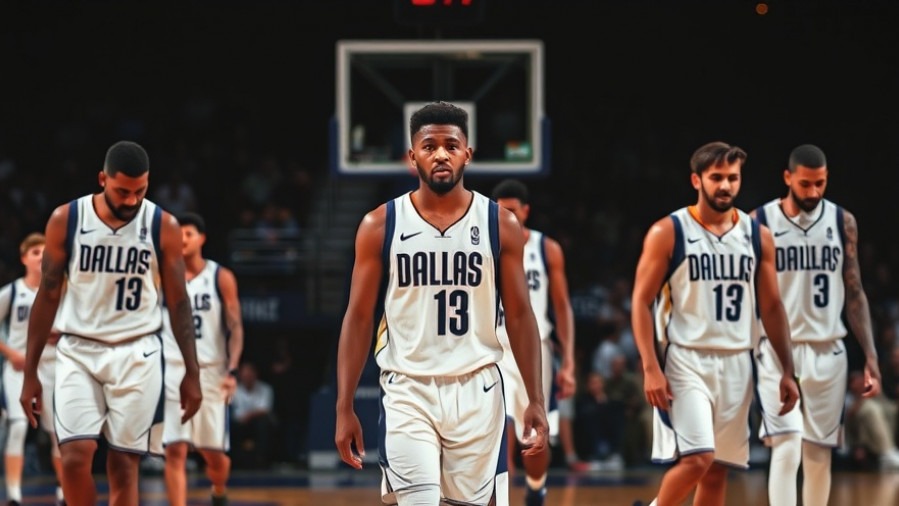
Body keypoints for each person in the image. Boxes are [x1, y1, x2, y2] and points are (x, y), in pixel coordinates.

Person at [334, 101, 549, 506]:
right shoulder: (379, 224)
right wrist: (344, 405)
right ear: (411, 156)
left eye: (451, 146)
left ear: (467, 153)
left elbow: (520, 316)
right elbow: (359, 318)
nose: (440, 155)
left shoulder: (500, 224)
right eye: (429, 146)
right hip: (408, 388)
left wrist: (535, 399)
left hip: (478, 387)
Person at [18, 140, 203, 506]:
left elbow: (179, 303)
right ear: (102, 179)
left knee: (123, 466)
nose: (132, 200)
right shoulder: (67, 219)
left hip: (138, 353)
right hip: (78, 350)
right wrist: (30, 371)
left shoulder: (163, 225)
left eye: (140, 191)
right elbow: (47, 296)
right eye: (122, 191)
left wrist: (192, 372)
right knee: (74, 458)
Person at [631, 141, 799, 506]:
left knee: (717, 470)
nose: (725, 185)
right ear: (697, 180)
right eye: (717, 177)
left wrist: (788, 370)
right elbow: (641, 302)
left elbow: (772, 307)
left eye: (733, 178)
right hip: (686, 359)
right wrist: (650, 367)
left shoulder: (757, 236)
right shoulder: (669, 231)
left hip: (738, 361)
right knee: (698, 459)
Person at [752, 144, 888, 505]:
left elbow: (854, 291)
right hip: (778, 351)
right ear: (787, 177)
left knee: (817, 454)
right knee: (786, 446)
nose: (813, 192)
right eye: (805, 184)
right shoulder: (759, 222)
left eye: (820, 183)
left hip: (829, 351)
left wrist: (871, 355)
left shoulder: (843, 222)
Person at [491, 178, 576, 505]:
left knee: (536, 441)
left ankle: (536, 487)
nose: (508, 217)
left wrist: (568, 362)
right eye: (502, 211)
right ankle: (499, 495)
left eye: (513, 211)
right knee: (495, 432)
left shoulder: (546, 248)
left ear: (526, 211)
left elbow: (562, 307)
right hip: (493, 350)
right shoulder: (482, 247)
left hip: (534, 352)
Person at [161, 212, 244, 506]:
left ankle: (218, 489)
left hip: (212, 372)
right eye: (178, 235)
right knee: (175, 449)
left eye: (189, 234)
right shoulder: (162, 276)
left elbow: (235, 327)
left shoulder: (220, 277)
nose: (183, 239)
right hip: (174, 371)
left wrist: (232, 370)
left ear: (202, 239)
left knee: (214, 455)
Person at [0, 233, 65, 506]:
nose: (41, 257)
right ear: (24, 258)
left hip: (53, 367)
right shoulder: (12, 292)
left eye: (45, 252)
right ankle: (14, 495)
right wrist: (11, 353)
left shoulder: (61, 290)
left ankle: (64, 491)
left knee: (59, 432)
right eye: (35, 252)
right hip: (20, 369)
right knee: (17, 427)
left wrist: (63, 334)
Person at [230, 361, 276, 469]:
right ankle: (234, 460)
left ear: (255, 374)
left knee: (264, 424)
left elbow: (265, 409)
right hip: (240, 422)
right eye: (245, 375)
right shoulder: (235, 390)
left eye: (250, 374)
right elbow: (235, 412)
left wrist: (249, 415)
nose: (248, 377)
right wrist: (242, 418)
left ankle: (262, 460)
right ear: (240, 375)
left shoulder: (265, 389)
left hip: (258, 422)